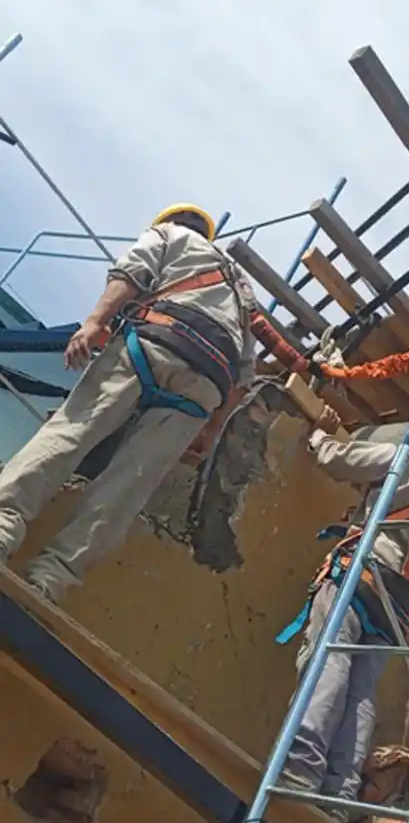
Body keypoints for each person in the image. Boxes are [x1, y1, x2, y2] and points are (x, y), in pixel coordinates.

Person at [0, 203, 257, 603]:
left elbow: (131, 274)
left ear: (169, 221)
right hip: (207, 385)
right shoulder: (242, 288)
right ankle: (51, 580)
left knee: (70, 433)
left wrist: (94, 322)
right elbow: (244, 371)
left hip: (157, 342)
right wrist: (209, 430)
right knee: (126, 488)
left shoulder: (169, 235)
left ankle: (2, 527)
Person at [277, 407, 409, 820]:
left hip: (365, 574)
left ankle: (300, 770)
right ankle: (341, 793)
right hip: (401, 605)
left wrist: (320, 437)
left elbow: (339, 459)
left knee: (330, 661)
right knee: (362, 691)